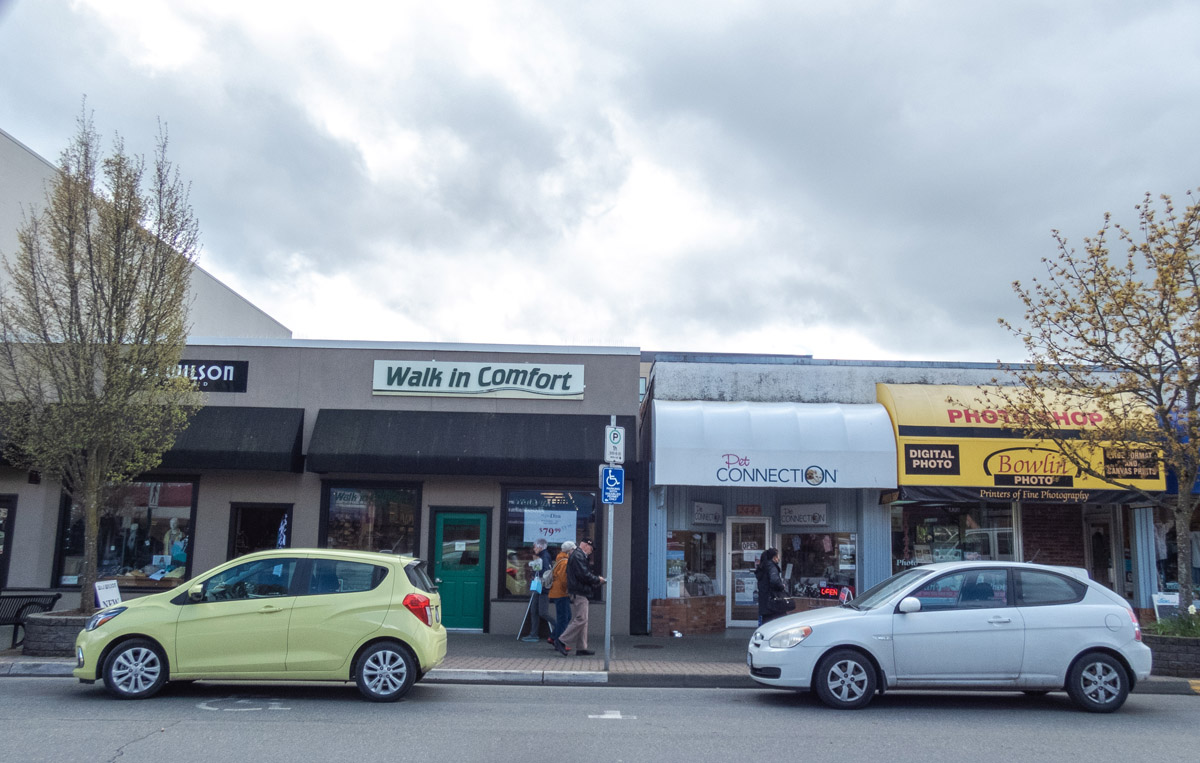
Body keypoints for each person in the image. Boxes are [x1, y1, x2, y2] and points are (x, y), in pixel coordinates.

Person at [555, 537, 605, 656]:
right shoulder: (578, 556)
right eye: (591, 548)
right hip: (579, 591)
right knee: (581, 619)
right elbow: (583, 574)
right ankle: (561, 640)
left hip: (579, 590)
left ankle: (582, 647)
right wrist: (597, 579)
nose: (591, 551)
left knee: (584, 620)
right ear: (585, 546)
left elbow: (583, 574)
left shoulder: (578, 556)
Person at [522, 538, 555, 642]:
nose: (534, 548)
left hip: (542, 586)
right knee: (534, 610)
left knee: (542, 612)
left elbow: (545, 572)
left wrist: (534, 571)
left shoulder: (544, 557)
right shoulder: (544, 556)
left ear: (540, 547)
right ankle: (533, 634)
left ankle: (560, 628)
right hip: (540, 585)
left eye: (535, 546)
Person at [548, 541, 574, 652]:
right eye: (573, 549)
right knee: (564, 618)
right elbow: (564, 580)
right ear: (569, 551)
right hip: (561, 593)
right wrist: (569, 589)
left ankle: (553, 637)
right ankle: (559, 642)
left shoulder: (560, 559)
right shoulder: (565, 562)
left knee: (565, 617)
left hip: (557, 592)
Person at [755, 547, 786, 626]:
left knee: (766, 623)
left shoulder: (763, 567)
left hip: (764, 601)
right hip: (773, 601)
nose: (779, 557)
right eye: (778, 555)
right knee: (780, 622)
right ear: (774, 557)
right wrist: (782, 586)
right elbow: (774, 580)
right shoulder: (771, 567)